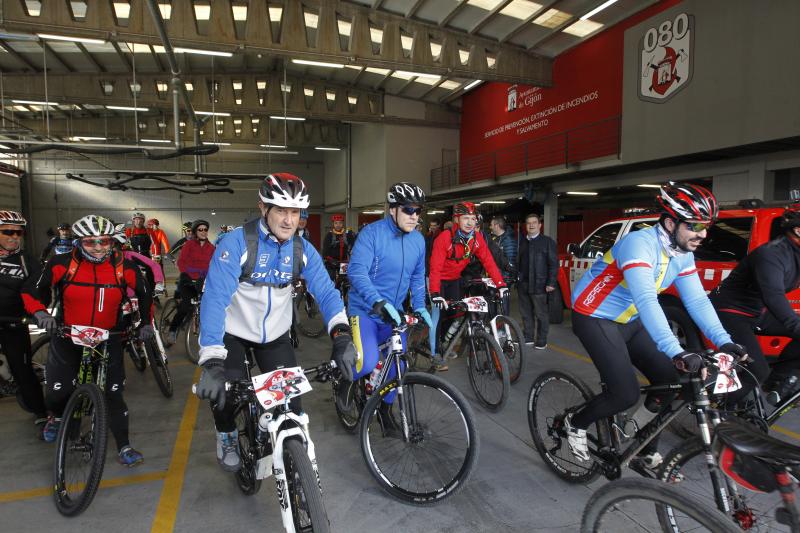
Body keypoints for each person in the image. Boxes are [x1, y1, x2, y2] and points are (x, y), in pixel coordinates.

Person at [565, 183, 746, 466]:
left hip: (630, 319)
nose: (702, 234)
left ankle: (642, 444)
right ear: (670, 222)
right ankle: (574, 422)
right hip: (595, 317)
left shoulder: (682, 252)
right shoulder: (639, 244)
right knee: (625, 393)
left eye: (706, 226)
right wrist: (676, 350)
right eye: (695, 225)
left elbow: (697, 301)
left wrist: (723, 341)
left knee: (673, 383)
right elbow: (648, 299)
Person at [194, 173, 355, 472]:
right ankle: (226, 434)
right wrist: (212, 361)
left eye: (295, 212)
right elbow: (215, 300)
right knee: (225, 394)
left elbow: (327, 292)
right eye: (281, 210)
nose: (288, 220)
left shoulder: (302, 250)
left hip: (275, 337)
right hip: (233, 334)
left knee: (293, 409)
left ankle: (295, 466)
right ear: (263, 208)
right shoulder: (237, 243)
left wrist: (342, 334)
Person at [23, 215, 153, 466]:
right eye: (90, 241)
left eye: (103, 241)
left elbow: (145, 294)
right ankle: (58, 417)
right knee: (58, 389)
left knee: (114, 393)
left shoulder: (124, 266)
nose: (98, 247)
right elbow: (31, 290)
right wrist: (39, 312)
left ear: (110, 242)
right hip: (69, 334)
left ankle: (124, 445)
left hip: (109, 336)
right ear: (79, 242)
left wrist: (146, 324)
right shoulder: (61, 263)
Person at [346, 182, 432, 424]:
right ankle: (345, 382)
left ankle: (384, 410)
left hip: (394, 314)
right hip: (365, 310)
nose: (414, 216)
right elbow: (357, 272)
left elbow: (417, 278)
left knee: (399, 366)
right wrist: (377, 301)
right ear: (392, 209)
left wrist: (419, 305)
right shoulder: (372, 234)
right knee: (367, 362)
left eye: (418, 211)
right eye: (408, 210)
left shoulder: (418, 240)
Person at [710, 203, 800, 405]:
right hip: (729, 310)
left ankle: (776, 380)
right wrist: (796, 326)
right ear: (798, 230)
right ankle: (720, 409)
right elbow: (774, 296)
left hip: (757, 311)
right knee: (757, 369)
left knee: (764, 372)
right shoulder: (772, 254)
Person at [429, 201, 508, 371]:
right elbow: (435, 268)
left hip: (455, 279)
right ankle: (435, 353)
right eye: (465, 218)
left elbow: (488, 261)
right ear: (457, 219)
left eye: (473, 218)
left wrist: (501, 284)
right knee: (437, 315)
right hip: (439, 280)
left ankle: (445, 343)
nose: (470, 222)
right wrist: (435, 292)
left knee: (455, 313)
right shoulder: (444, 238)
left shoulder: (476, 238)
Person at [0, 210, 47, 423]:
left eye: (19, 233)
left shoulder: (27, 261)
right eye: (8, 231)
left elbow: (38, 292)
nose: (14, 237)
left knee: (22, 370)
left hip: (13, 321)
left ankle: (41, 413)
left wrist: (37, 312)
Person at [165, 219, 215, 345]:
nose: (203, 232)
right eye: (200, 230)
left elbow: (215, 264)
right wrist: (190, 274)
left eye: (205, 230)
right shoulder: (188, 245)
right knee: (185, 306)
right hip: (188, 280)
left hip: (203, 281)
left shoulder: (211, 247)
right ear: (195, 232)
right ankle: (173, 330)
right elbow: (181, 262)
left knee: (209, 306)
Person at [517, 214, 558, 349]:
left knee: (541, 314)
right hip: (523, 284)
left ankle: (541, 340)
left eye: (534, 222)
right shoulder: (522, 242)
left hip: (540, 284)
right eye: (528, 223)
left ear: (540, 225)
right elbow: (519, 262)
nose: (531, 225)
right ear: (526, 225)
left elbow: (553, 264)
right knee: (526, 313)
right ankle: (528, 337)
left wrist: (551, 283)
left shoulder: (547, 242)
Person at [322, 213, 355, 280]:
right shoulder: (329, 235)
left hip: (344, 262)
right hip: (331, 263)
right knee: (330, 279)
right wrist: (331, 261)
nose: (338, 225)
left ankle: (342, 290)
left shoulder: (348, 234)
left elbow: (353, 245)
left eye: (340, 223)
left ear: (343, 224)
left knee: (344, 280)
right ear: (333, 224)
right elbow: (325, 252)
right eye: (336, 223)